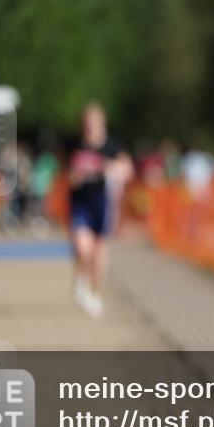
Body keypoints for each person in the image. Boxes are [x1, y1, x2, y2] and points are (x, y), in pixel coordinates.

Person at [68, 103, 134, 317]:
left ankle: (94, 292)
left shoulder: (112, 146)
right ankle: (81, 281)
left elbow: (127, 169)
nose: (89, 127)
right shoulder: (76, 146)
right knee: (82, 247)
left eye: (93, 123)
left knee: (99, 252)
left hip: (104, 204)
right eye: (86, 123)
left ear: (101, 124)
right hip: (81, 205)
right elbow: (69, 176)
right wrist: (76, 176)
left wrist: (111, 168)